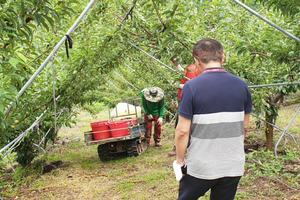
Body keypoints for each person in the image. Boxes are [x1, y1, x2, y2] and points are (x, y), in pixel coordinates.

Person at [175, 38, 252, 200]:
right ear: (223, 58)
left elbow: (182, 131)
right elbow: (244, 127)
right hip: (232, 164)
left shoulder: (191, 87)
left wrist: (179, 161)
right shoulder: (242, 85)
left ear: (196, 61)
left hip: (202, 165)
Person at [168, 59, 199, 157]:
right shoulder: (190, 69)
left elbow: (190, 84)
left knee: (181, 124)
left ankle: (182, 147)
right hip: (184, 99)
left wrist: (177, 85)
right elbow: (184, 73)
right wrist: (176, 65)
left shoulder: (192, 70)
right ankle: (182, 146)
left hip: (185, 99)